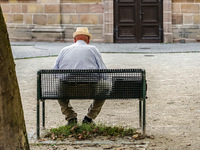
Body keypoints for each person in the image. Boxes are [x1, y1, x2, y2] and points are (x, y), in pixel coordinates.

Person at [53, 27, 107, 125]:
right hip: (91, 89)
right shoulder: (93, 49)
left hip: (67, 90)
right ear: (88, 40)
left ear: (75, 40)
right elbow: (104, 72)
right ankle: (89, 117)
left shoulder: (64, 50)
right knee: (106, 88)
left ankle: (70, 117)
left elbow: (55, 72)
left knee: (58, 88)